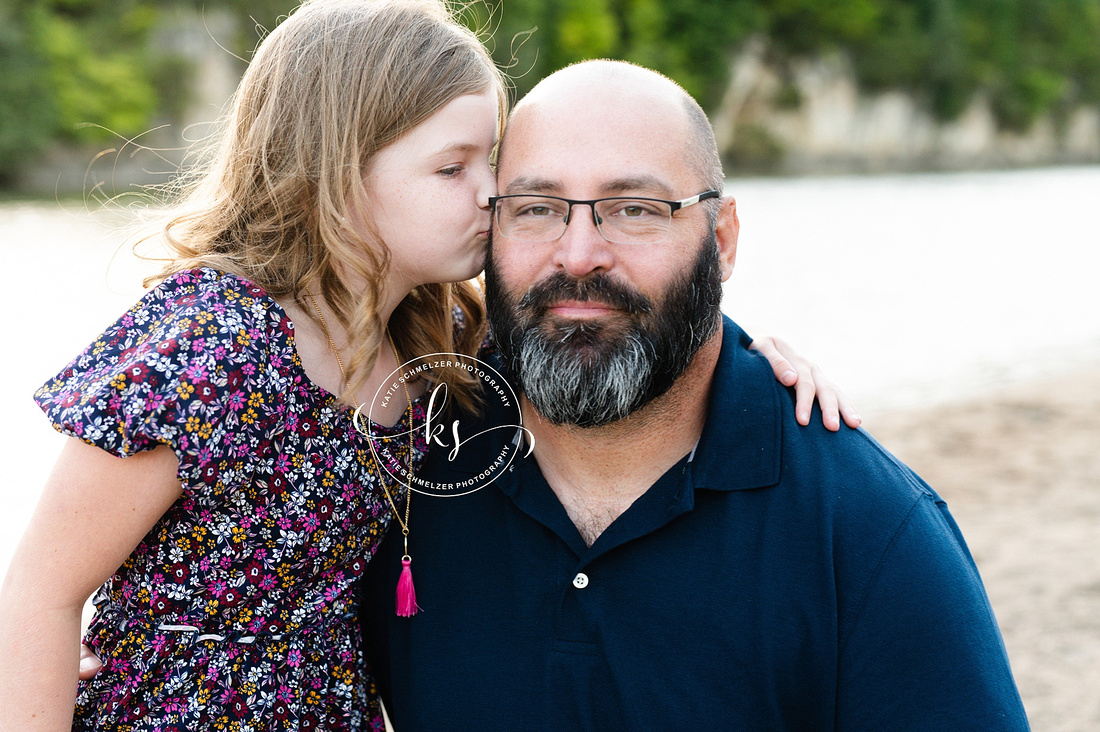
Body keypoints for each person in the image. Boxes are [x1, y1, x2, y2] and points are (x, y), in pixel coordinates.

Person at [0, 3, 850, 730]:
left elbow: (613, 338)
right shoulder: (210, 348)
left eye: (495, 165)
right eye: (452, 168)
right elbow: (40, 591)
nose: (490, 194)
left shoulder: (440, 339)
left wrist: (750, 359)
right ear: (335, 175)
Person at [359, 60, 1031, 730]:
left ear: (723, 239)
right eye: (537, 209)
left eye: (635, 210)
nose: (580, 253)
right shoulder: (399, 459)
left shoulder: (865, 530)